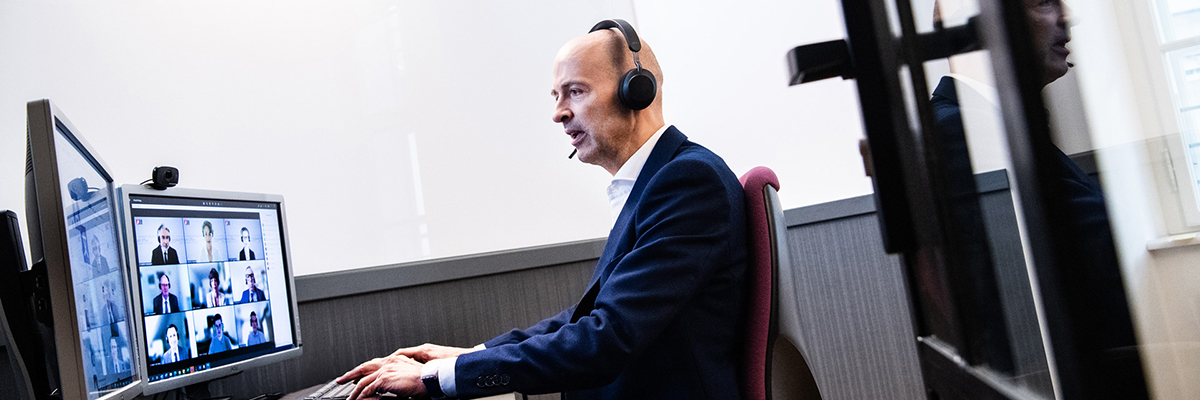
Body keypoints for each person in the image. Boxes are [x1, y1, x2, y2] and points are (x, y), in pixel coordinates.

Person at [337, 20, 747, 400]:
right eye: (556, 96)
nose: (558, 113)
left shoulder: (688, 181)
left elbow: (607, 339)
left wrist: (440, 378)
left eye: (575, 91)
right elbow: (587, 316)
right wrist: (465, 356)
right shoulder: (656, 180)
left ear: (637, 90)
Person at [930, 1, 1146, 397]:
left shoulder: (995, 124)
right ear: (976, 26)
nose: (1066, 17)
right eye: (1045, 2)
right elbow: (1085, 270)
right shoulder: (961, 131)